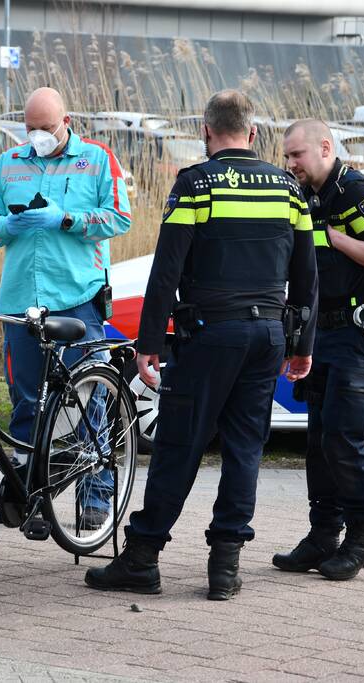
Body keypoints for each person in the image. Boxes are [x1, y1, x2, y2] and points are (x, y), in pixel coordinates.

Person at [84, 90, 318, 600]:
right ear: (253, 134)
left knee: (178, 446)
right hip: (268, 337)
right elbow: (306, 277)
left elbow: (167, 269)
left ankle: (143, 559)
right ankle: (225, 567)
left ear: (206, 132)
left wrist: (148, 342)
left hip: (210, 334)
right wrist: (301, 344)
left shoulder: (194, 185)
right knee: (244, 450)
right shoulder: (287, 189)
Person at [0, 87, 132, 529]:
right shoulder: (10, 163)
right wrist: (6, 224)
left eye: (45, 127)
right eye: (30, 128)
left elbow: (120, 217)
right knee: (28, 400)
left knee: (90, 396)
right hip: (22, 299)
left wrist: (66, 219)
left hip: (78, 297)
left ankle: (96, 494)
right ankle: (30, 497)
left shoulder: (97, 159)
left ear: (66, 120)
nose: (37, 135)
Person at [273, 119, 364, 581]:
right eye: (287, 157)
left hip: (357, 329)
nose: (290, 164)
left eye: (296, 156)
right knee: (317, 440)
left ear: (325, 148)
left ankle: (363, 539)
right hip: (319, 330)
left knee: (343, 437)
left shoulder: (357, 191)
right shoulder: (301, 193)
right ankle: (323, 534)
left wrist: (335, 238)